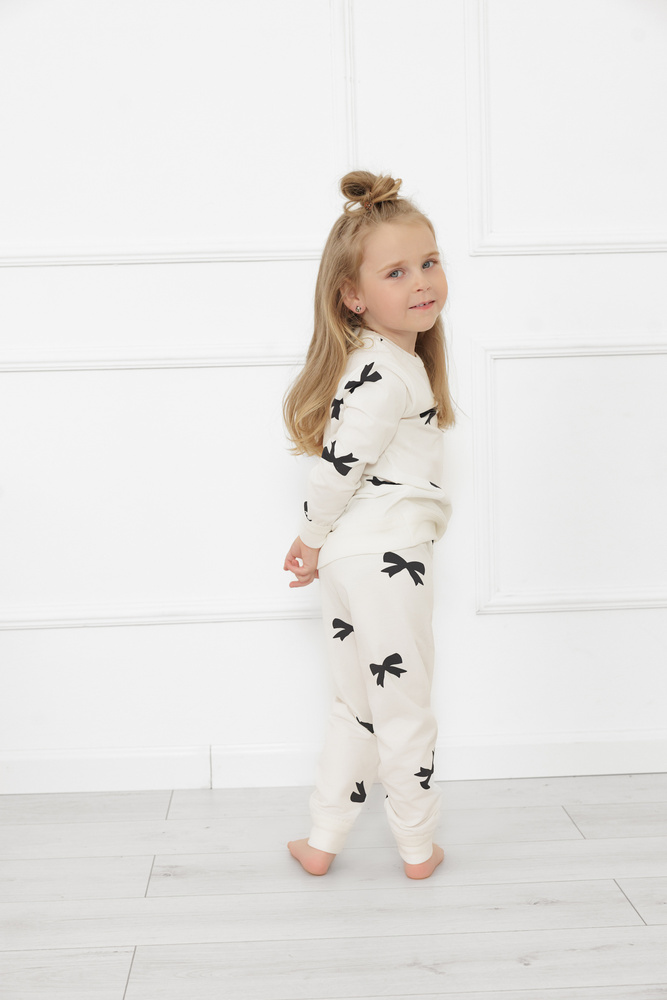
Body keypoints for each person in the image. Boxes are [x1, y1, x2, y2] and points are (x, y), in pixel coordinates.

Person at [282, 171, 455, 880]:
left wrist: (319, 544)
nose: (421, 282)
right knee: (403, 706)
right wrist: (308, 538)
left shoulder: (380, 363)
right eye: (396, 272)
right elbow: (340, 464)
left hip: (353, 561)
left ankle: (323, 839)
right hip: (387, 559)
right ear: (352, 296)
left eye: (429, 262)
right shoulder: (389, 374)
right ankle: (417, 847)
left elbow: (340, 465)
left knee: (357, 704)